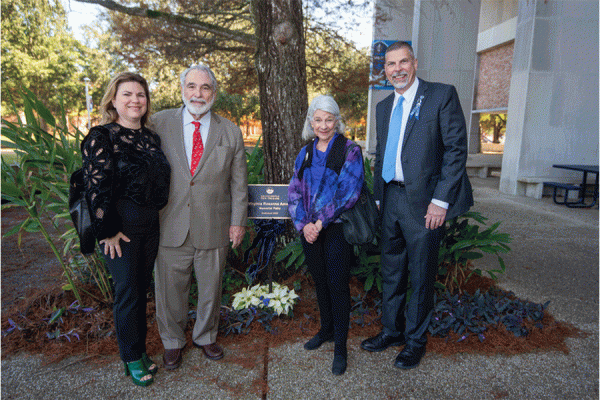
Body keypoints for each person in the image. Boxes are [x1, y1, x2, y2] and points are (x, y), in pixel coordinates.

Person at [360, 41, 473, 369]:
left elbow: (455, 150)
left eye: (403, 62)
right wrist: (380, 196)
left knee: (421, 275)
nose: (397, 69)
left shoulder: (441, 95)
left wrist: (441, 201)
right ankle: (392, 331)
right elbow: (384, 153)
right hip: (390, 200)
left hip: (425, 203)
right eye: (390, 64)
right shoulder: (383, 106)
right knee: (392, 270)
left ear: (415, 63)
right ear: (385, 70)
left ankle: (414, 341)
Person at [150, 64, 248, 370]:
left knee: (210, 287)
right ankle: (172, 341)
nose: (198, 93)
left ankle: (206, 336)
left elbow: (238, 182)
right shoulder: (157, 123)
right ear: (182, 89)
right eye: (192, 86)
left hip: (214, 224)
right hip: (170, 223)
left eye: (205, 88)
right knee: (169, 290)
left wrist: (238, 221)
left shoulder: (229, 130)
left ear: (214, 93)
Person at [81, 72, 171, 387]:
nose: (135, 100)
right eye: (127, 94)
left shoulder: (150, 138)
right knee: (127, 292)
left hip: (150, 224)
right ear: (114, 100)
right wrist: (107, 230)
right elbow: (96, 188)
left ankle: (139, 351)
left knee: (139, 289)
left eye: (140, 95)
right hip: (119, 228)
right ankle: (131, 358)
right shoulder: (101, 136)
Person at [288, 95, 364, 376]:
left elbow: (348, 193)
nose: (323, 125)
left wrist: (319, 223)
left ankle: (341, 348)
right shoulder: (305, 151)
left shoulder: (349, 150)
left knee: (337, 285)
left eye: (328, 119)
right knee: (320, 282)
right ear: (311, 122)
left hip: (336, 229)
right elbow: (294, 190)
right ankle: (327, 330)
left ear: (337, 121)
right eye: (318, 119)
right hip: (309, 231)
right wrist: (303, 225)